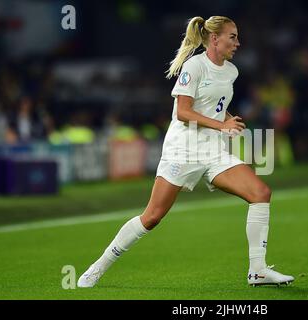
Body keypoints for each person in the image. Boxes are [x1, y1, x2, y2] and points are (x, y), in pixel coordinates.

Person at [78, 16, 294, 288]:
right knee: (152, 217)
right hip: (183, 150)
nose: (237, 43)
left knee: (260, 193)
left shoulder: (231, 71)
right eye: (232, 37)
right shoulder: (194, 66)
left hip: (214, 150)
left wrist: (229, 119)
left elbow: (214, 105)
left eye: (237, 37)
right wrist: (221, 124)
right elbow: (182, 112)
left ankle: (258, 270)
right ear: (214, 39)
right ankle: (98, 266)